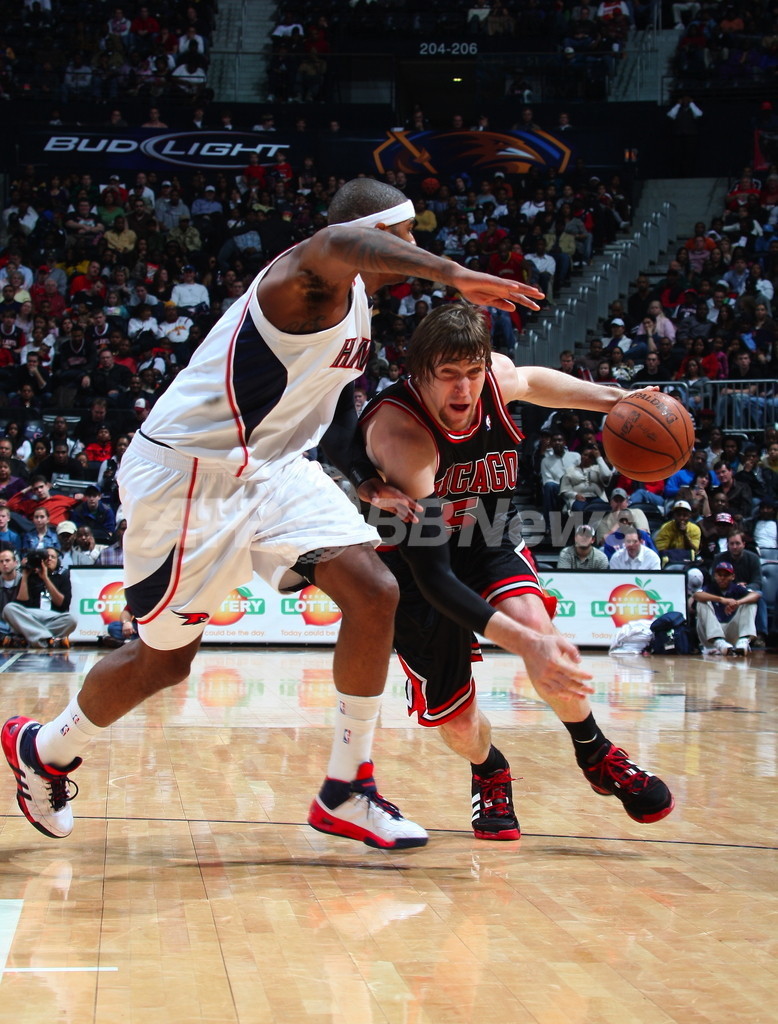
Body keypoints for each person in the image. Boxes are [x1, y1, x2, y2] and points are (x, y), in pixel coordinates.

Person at [1, 178, 545, 849]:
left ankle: (348, 788)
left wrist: (366, 480)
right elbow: (338, 240)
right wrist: (453, 273)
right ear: (375, 237)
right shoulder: (302, 281)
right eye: (405, 236)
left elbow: (335, 408)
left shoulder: (357, 306)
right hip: (190, 478)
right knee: (164, 662)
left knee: (376, 591)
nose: (415, 247)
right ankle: (43, 748)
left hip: (276, 469)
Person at [358, 303, 674, 840]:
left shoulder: (495, 379)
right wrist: (525, 646)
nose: (464, 388)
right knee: (459, 723)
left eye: (473, 372)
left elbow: (533, 380)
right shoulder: (401, 437)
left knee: (538, 628)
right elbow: (436, 578)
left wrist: (615, 400)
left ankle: (595, 750)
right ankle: (489, 769)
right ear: (419, 374)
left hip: (487, 532)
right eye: (448, 374)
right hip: (415, 564)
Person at [1, 547, 76, 649]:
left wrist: (45, 578)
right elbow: (21, 603)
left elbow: (62, 604)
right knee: (8, 608)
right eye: (47, 557)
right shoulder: (30, 574)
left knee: (72, 620)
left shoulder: (62, 575)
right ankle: (46, 639)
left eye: (53, 557)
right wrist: (25, 576)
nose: (49, 559)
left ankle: (28, 637)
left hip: (52, 617)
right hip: (30, 616)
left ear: (58, 560)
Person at [692, 561, 758, 655]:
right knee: (701, 603)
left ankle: (743, 641)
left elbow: (756, 595)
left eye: (726, 575)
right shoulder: (709, 588)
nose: (722, 578)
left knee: (750, 603)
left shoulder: (737, 588)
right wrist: (721, 599)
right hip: (711, 635)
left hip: (731, 630)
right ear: (715, 576)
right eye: (719, 575)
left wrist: (737, 603)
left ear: (732, 577)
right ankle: (718, 642)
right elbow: (696, 595)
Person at [0, 549, 24, 645]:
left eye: (7, 560)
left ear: (15, 563)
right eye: (1, 561)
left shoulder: (24, 580)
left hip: (21, 623)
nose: (4, 564)